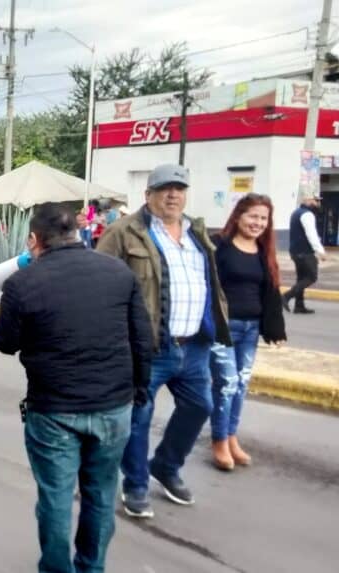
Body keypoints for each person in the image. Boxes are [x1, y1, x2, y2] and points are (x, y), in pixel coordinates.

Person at [0, 204, 153, 573]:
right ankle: (91, 567)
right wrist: (139, 390)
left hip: (53, 411)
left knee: (56, 498)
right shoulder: (118, 272)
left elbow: (5, 342)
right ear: (77, 233)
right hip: (114, 406)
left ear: (34, 239)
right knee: (100, 494)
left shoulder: (22, 283)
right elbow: (142, 339)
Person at [97, 164, 230, 518]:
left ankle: (166, 467)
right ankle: (136, 484)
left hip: (195, 345)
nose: (173, 195)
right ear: (148, 195)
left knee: (200, 407)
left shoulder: (196, 232)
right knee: (139, 418)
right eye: (164, 189)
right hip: (148, 348)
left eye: (179, 188)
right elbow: (99, 285)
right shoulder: (123, 232)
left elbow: (211, 283)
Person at [208, 195, 286, 471]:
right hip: (223, 329)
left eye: (263, 218)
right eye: (253, 216)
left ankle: (231, 437)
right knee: (227, 384)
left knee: (241, 385)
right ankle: (218, 441)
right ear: (238, 216)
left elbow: (271, 291)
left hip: (251, 328)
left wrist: (275, 328)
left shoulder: (264, 250)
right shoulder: (219, 246)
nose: (258, 223)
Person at [283, 189, 329, 314]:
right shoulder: (307, 214)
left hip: (295, 252)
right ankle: (286, 296)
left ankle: (299, 306)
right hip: (305, 252)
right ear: (307, 201)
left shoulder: (296, 212)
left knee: (301, 279)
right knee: (311, 277)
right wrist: (320, 251)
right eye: (316, 201)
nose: (318, 203)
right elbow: (311, 234)